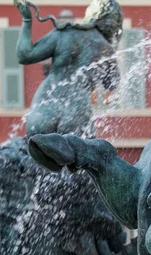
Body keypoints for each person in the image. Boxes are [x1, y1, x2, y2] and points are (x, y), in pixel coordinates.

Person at [13, 0, 122, 170]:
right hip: (76, 114)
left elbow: (24, 55)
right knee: (78, 176)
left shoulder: (64, 33)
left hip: (44, 110)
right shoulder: (106, 49)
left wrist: (27, 20)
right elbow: (112, 85)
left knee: (41, 172)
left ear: (91, 14)